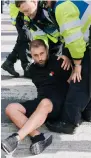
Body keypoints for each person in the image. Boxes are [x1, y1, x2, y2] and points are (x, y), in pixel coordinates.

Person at [15, 0, 91, 131]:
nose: (26, 15)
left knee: (79, 79)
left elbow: (73, 37)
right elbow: (62, 36)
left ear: (34, 1)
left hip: (85, 41)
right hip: (84, 39)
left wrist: (77, 64)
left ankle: (69, 122)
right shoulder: (48, 11)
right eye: (23, 12)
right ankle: (88, 112)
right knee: (86, 79)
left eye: (27, 10)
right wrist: (65, 54)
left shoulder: (61, 8)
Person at [1, 39, 72, 155]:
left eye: (42, 53)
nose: (40, 58)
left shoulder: (58, 62)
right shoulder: (32, 70)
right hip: (41, 103)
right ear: (31, 55)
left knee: (45, 102)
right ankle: (37, 137)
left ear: (47, 51)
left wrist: (68, 59)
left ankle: (16, 138)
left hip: (58, 104)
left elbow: (74, 76)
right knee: (10, 108)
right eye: (36, 55)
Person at [1, 2, 32, 77]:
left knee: (23, 39)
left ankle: (9, 62)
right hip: (20, 11)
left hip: (22, 10)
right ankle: (26, 67)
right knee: (26, 39)